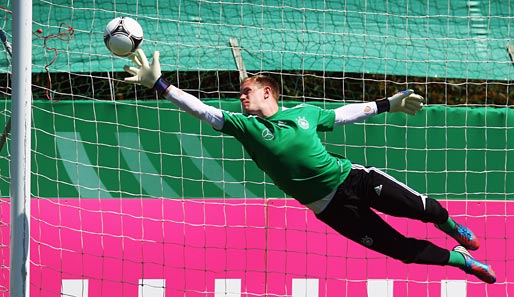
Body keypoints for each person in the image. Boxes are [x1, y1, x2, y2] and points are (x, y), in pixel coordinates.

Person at [123, 49, 496, 284]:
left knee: (423, 209)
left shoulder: (304, 113)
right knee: (398, 249)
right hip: (330, 208)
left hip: (353, 179)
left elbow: (344, 114)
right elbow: (201, 109)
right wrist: (161, 85)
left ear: (267, 92)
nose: (240, 98)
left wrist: (388, 104)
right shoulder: (245, 127)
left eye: (246, 92)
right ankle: (460, 261)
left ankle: (453, 228)